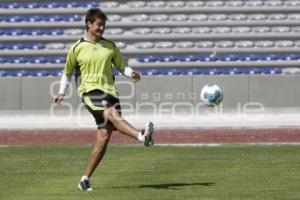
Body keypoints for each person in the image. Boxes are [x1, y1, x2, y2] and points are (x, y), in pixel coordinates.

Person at [54, 8, 154, 192]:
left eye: (103, 25)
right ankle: (142, 137)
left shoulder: (110, 46)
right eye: (98, 25)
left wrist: (132, 74)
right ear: (89, 24)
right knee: (112, 114)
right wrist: (62, 92)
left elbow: (122, 66)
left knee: (104, 136)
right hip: (89, 92)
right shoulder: (76, 48)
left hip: (110, 92)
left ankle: (84, 179)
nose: (101, 28)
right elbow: (67, 73)